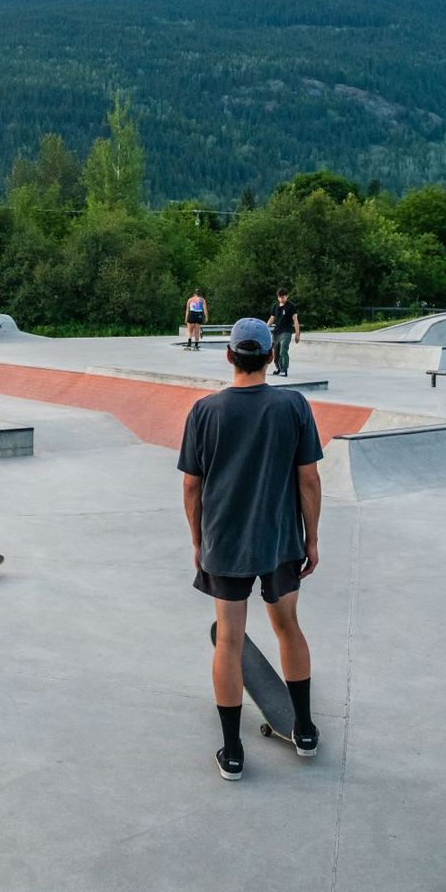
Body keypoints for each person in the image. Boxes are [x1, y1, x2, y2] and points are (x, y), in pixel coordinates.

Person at [178, 318, 322, 781]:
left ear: (229, 356)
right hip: (280, 538)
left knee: (230, 639)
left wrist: (199, 540)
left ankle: (233, 751)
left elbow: (191, 486)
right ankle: (303, 729)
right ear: (267, 357)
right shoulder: (293, 405)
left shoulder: (205, 410)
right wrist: (312, 538)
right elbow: (309, 479)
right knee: (288, 626)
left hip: (226, 539)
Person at [267, 288, 301, 377]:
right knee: (276, 352)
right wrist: (265, 328)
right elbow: (272, 318)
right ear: (278, 298)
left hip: (286, 332)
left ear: (287, 296)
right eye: (280, 297)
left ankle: (284, 370)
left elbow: (295, 320)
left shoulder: (291, 306)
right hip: (276, 333)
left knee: (283, 351)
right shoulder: (275, 306)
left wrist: (297, 334)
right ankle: (279, 368)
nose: (282, 299)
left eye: (283, 297)